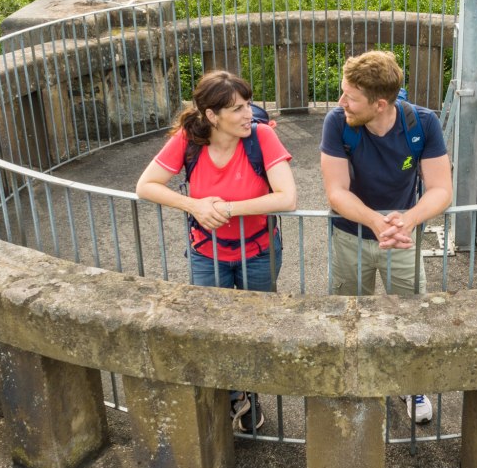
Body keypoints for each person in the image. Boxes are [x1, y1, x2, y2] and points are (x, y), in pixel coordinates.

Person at [136, 70, 297, 433]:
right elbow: (146, 185)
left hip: (258, 251)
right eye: (237, 109)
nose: (248, 114)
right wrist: (192, 205)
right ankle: (231, 397)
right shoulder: (189, 140)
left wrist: (224, 208)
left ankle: (250, 395)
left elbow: (287, 198)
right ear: (212, 116)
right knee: (212, 326)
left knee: (256, 326)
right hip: (207, 253)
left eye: (247, 106)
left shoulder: (261, 136)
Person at [320, 50, 452, 424]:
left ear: (380, 104)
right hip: (351, 236)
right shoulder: (338, 122)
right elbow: (336, 191)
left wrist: (407, 221)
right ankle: (349, 382)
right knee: (347, 311)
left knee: (409, 314)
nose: (341, 102)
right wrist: (378, 223)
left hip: (401, 239)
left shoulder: (423, 123)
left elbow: (441, 188)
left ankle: (412, 386)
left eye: (350, 97)